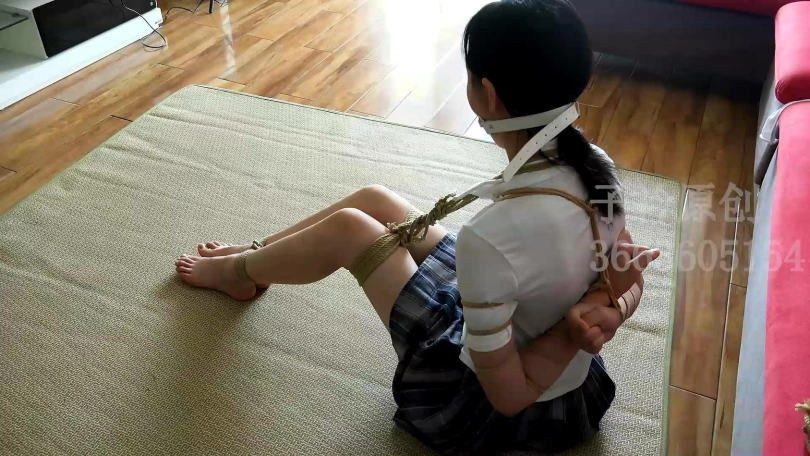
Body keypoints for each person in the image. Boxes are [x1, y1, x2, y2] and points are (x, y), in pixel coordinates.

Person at [174, 0, 660, 453]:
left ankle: (237, 274)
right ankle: (255, 255)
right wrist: (612, 309)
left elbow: (508, 397)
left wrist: (572, 334)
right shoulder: (599, 167)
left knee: (350, 228)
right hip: (562, 372)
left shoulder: (491, 237)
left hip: (486, 405)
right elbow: (628, 270)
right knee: (375, 201)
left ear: (487, 95)